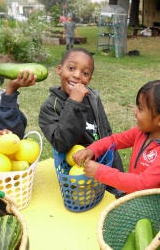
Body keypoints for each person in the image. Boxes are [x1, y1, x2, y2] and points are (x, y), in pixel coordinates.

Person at [72, 80, 160, 194]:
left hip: (154, 209)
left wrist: (100, 172)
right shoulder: (141, 133)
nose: (135, 111)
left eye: (140, 108)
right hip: (134, 201)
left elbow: (143, 183)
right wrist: (92, 149)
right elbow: (114, 140)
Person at [38, 47, 125, 196]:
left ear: (89, 79)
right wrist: (73, 103)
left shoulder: (93, 98)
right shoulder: (49, 107)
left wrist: (118, 175)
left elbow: (106, 134)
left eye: (85, 73)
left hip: (102, 163)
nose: (77, 75)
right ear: (59, 69)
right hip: (77, 172)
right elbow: (62, 143)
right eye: (71, 68)